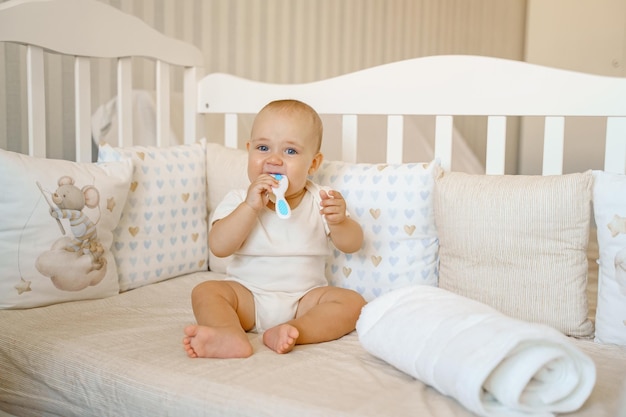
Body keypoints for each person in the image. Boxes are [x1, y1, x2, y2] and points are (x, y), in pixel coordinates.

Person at [182, 99, 366, 359]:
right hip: (247, 298)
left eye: (290, 151)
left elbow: (353, 244)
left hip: (305, 300)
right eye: (263, 147)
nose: (274, 159)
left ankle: (294, 330)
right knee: (206, 291)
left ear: (313, 164)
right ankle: (227, 332)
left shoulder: (321, 199)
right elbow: (219, 247)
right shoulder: (238, 200)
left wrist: (340, 222)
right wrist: (250, 208)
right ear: (249, 151)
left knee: (353, 303)